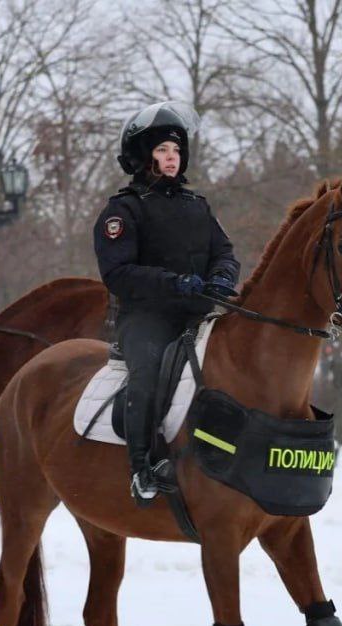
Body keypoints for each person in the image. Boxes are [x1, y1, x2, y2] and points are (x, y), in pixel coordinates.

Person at [93, 101, 240, 505]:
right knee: (148, 374)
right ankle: (142, 468)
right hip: (147, 319)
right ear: (144, 156)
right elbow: (118, 273)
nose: (171, 157)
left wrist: (222, 277)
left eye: (176, 150)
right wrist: (175, 284)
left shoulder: (198, 206)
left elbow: (225, 252)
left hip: (199, 315)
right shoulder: (123, 210)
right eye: (161, 150)